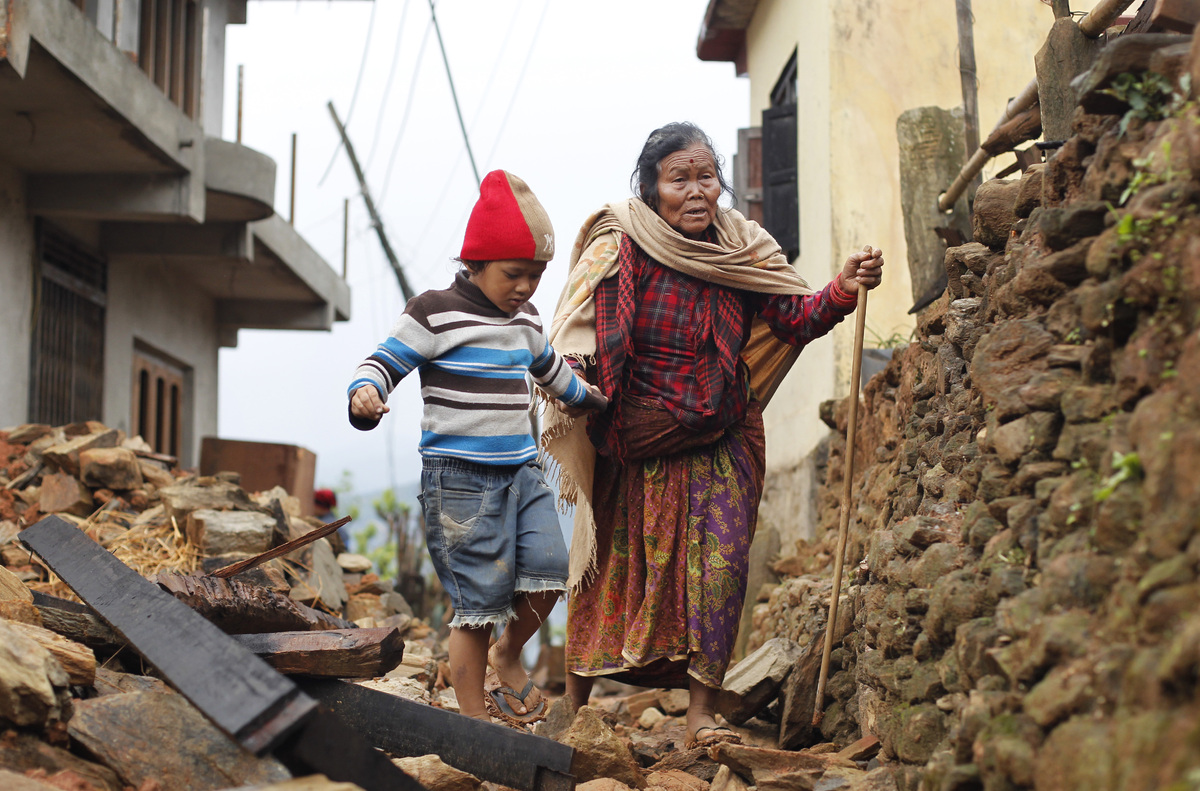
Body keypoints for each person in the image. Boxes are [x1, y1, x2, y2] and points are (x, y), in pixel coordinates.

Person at [541, 122, 884, 748]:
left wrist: (840, 289)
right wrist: (579, 380)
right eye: (679, 179)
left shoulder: (742, 249)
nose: (697, 191)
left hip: (722, 434)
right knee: (610, 569)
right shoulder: (622, 243)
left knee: (722, 571)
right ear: (650, 190)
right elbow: (578, 327)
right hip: (636, 439)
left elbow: (795, 316)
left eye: (707, 176)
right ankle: (575, 703)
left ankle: (700, 713)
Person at [347, 170, 608, 726]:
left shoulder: (527, 320)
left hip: (522, 471)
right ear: (476, 263)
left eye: (536, 276)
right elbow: (381, 364)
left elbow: (551, 372)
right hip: (460, 482)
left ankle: (507, 655)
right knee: (477, 607)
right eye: (514, 274)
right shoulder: (433, 312)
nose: (526, 288)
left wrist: (590, 399)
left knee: (550, 569)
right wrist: (365, 394)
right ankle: (473, 722)